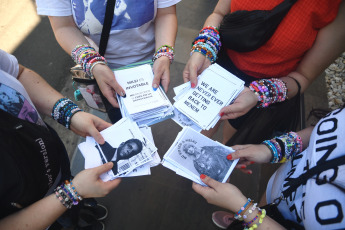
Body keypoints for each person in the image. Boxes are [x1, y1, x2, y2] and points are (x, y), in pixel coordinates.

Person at [183, 0, 345, 145]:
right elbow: (219, 13)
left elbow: (302, 77)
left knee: (230, 144)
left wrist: (258, 94)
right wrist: (204, 47)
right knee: (200, 130)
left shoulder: (335, 8)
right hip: (220, 63)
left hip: (263, 86)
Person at [0, 49, 121, 230]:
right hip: (28, 210)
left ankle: (78, 212)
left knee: (70, 193)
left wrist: (69, 114)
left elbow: (18, 72)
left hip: (50, 154)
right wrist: (73, 192)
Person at [192, 106, 345, 229]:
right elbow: (318, 133)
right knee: (267, 205)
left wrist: (245, 209)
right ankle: (248, 220)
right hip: (278, 193)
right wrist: (271, 150)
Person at [35, 0, 181, 123]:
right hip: (103, 70)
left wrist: (163, 53)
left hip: (151, 67)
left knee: (152, 119)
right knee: (121, 122)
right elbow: (63, 26)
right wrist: (93, 63)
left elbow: (166, 13)